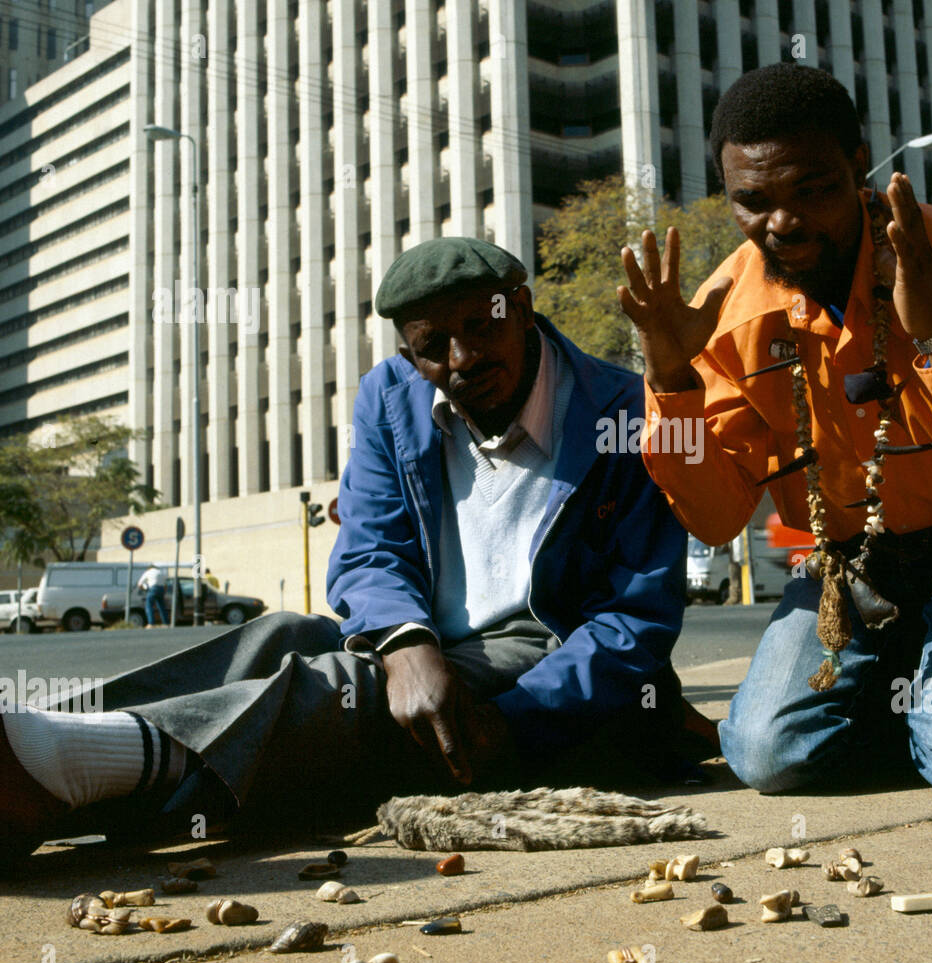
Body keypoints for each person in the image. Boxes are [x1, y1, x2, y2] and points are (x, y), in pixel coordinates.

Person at [0, 238, 702, 871]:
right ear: (408, 353)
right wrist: (405, 644)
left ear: (519, 308)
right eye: (433, 346)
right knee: (280, 635)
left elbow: (633, 619)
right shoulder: (388, 397)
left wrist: (516, 724)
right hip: (424, 628)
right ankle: (47, 735)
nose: (461, 360)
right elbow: (369, 547)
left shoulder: (626, 410)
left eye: (480, 328)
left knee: (345, 687)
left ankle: (57, 772)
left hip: (546, 653)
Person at [619, 63, 932, 799]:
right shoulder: (722, 311)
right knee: (766, 757)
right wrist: (671, 382)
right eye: (753, 201)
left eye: (813, 189)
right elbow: (715, 516)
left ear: (859, 164)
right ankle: (911, 690)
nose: (784, 223)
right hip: (847, 567)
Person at [137, 563, 169, 627]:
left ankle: (151, 623)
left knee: (149, 606)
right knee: (161, 607)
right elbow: (165, 586)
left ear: (149, 568)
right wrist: (163, 593)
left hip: (153, 589)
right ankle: (166, 623)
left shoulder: (148, 572)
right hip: (161, 589)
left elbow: (139, 584)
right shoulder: (161, 572)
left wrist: (145, 589)